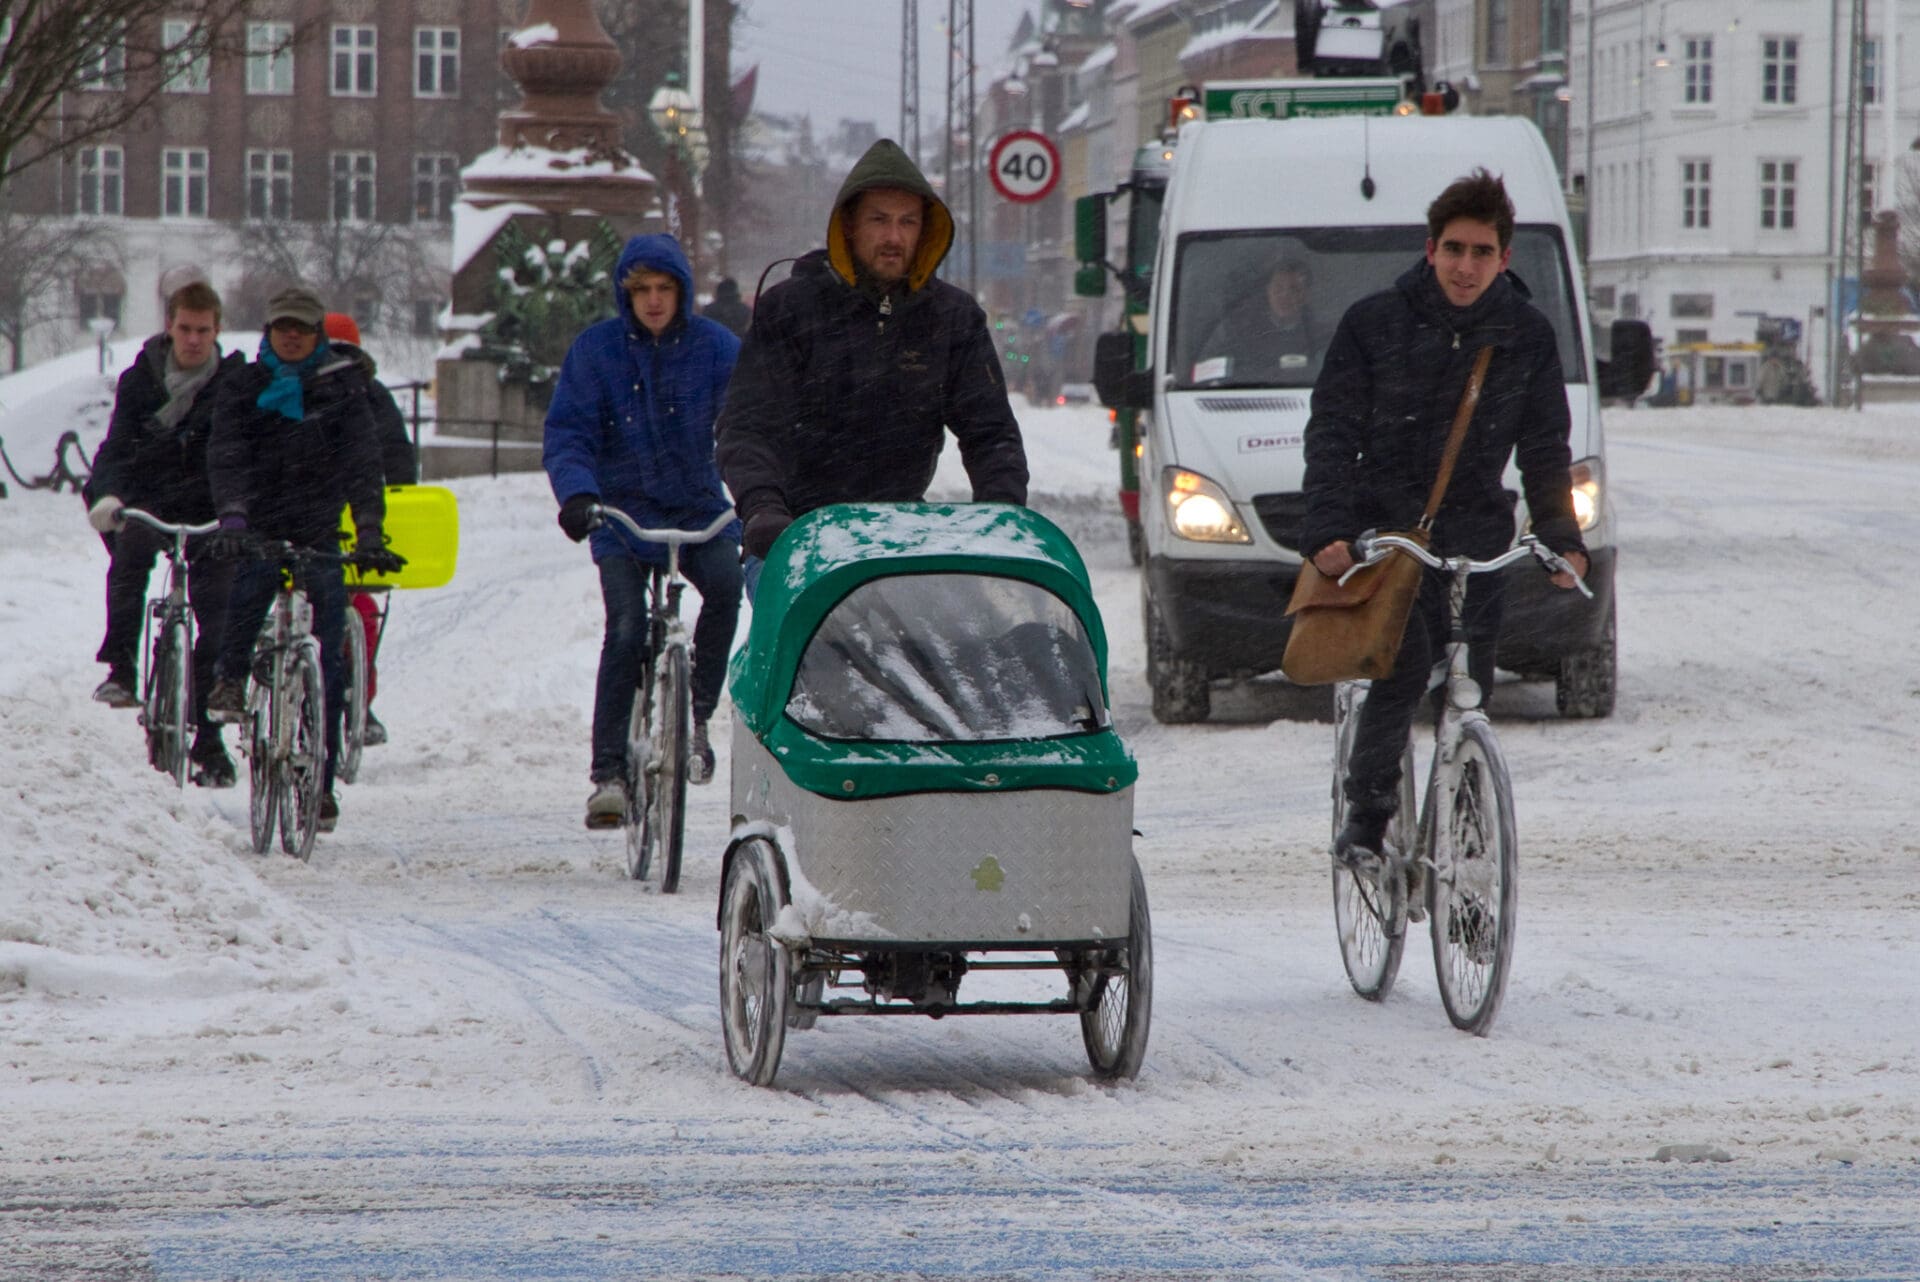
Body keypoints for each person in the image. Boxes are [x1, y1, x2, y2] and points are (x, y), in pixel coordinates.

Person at [1300, 168, 1590, 867]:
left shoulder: (1526, 335)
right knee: (1400, 671)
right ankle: (1367, 820)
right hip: (1392, 533)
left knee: (1470, 695)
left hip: (1479, 533)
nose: (1466, 266)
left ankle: (1463, 863)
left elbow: (1546, 447)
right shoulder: (1375, 324)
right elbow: (1333, 431)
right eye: (1454, 249)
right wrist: (1330, 529)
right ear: (1430, 250)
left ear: (1504, 258)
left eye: (1482, 252)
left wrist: (1561, 538)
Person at [715, 137, 1028, 592]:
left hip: (902, 534)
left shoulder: (952, 318)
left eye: (908, 222)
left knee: (939, 653)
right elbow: (748, 426)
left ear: (926, 230)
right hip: (796, 533)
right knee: (795, 657)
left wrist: (1002, 512)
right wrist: (763, 508)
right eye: (879, 220)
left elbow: (990, 432)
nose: (894, 237)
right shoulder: (790, 310)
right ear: (848, 226)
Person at [544, 234, 743, 830]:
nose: (654, 302)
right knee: (627, 627)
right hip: (622, 516)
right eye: (642, 291)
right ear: (625, 295)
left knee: (728, 588)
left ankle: (697, 716)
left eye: (665, 289)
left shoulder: (717, 349)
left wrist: (758, 489)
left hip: (697, 509)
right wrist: (579, 494)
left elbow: (746, 424)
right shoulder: (596, 352)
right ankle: (608, 773)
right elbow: (569, 431)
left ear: (682, 292)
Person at [203, 286, 399, 835]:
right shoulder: (244, 385)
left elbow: (364, 463)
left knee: (330, 655)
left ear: (317, 335)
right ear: (269, 331)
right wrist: (235, 516)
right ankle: (230, 679)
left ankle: (324, 780)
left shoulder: (341, 388)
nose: (292, 335)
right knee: (248, 590)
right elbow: (228, 453)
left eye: (303, 328)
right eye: (282, 326)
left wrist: (369, 530)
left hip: (318, 527)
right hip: (259, 521)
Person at [84, 280, 248, 787]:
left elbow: (246, 451)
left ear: (217, 330)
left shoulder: (236, 384)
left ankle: (208, 740)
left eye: (203, 330)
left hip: (212, 506)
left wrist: (242, 507)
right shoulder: (142, 380)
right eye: (184, 328)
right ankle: (122, 668)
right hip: (152, 499)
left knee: (216, 610)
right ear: (169, 327)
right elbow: (116, 445)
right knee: (130, 557)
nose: (193, 339)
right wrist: (110, 497)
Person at [323, 311, 417, 749]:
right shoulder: (308, 393)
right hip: (317, 514)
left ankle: (359, 697)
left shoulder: (373, 398)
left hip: (360, 514)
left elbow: (395, 451)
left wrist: (395, 497)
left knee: (361, 611)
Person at [1195, 244, 1321, 384]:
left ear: (1306, 295)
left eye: (1294, 289)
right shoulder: (1234, 330)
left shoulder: (1320, 337)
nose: (1285, 296)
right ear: (1267, 291)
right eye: (1278, 288)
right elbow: (1204, 373)